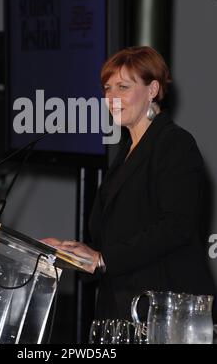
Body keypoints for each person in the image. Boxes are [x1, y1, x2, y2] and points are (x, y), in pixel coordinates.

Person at [42, 46, 216, 320]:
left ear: (152, 90)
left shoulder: (174, 143)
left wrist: (103, 258)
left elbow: (177, 226)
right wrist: (76, 255)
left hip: (164, 310)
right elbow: (118, 233)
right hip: (122, 306)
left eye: (123, 87)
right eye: (107, 89)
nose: (112, 98)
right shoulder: (125, 151)